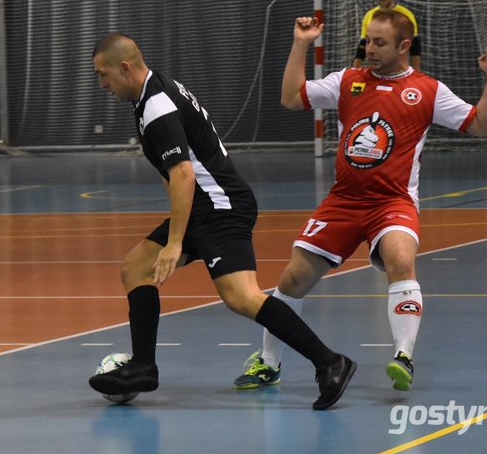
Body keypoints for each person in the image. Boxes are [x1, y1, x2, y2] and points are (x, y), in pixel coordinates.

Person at [233, 10, 487, 392]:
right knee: (292, 279)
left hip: (392, 202)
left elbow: (480, 125)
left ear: (404, 46)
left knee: (400, 260)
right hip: (343, 201)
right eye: (367, 41)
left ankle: (403, 357)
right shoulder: (348, 81)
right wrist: (300, 44)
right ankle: (268, 362)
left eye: (379, 42)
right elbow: (291, 97)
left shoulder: (427, 90)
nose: (370, 49)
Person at [88, 33, 356, 410]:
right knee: (136, 267)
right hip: (204, 206)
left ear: (125, 68)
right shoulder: (151, 93)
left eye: (103, 75)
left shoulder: (156, 105)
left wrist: (176, 243)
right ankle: (143, 367)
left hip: (219, 205)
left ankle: (331, 363)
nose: (101, 84)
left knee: (241, 297)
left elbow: (183, 174)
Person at [353, 0, 421, 71]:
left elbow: (414, 45)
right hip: (376, 68)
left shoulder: (405, 15)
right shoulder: (369, 15)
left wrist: (417, 72)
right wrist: (355, 70)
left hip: (398, 69)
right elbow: (362, 45)